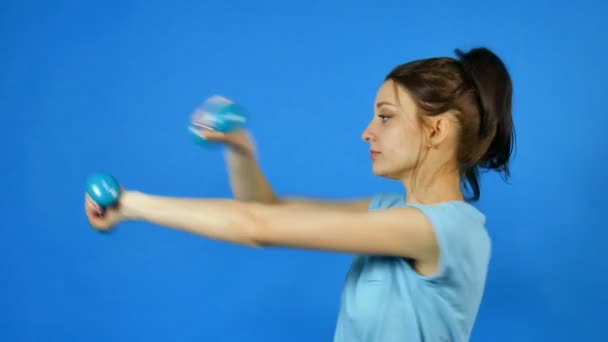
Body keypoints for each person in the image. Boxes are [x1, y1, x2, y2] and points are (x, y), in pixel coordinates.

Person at [84, 46, 515, 341]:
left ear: (437, 129)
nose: (367, 132)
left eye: (385, 117)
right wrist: (240, 151)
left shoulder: (444, 232)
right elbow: (266, 210)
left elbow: (258, 228)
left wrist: (130, 203)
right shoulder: (390, 211)